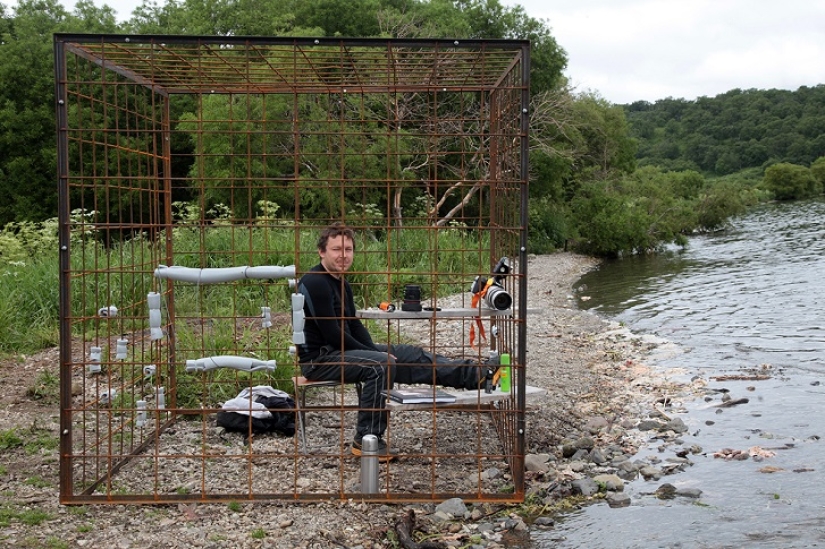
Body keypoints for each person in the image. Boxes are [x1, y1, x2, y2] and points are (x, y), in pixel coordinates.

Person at [296, 222, 493, 461]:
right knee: (381, 365)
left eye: (348, 249)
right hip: (320, 359)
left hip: (341, 351)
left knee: (408, 354)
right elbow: (332, 334)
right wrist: (378, 356)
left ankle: (479, 375)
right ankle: (366, 440)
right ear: (322, 251)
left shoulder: (342, 282)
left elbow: (354, 325)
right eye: (337, 249)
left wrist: (374, 350)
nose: (343, 255)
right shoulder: (315, 281)